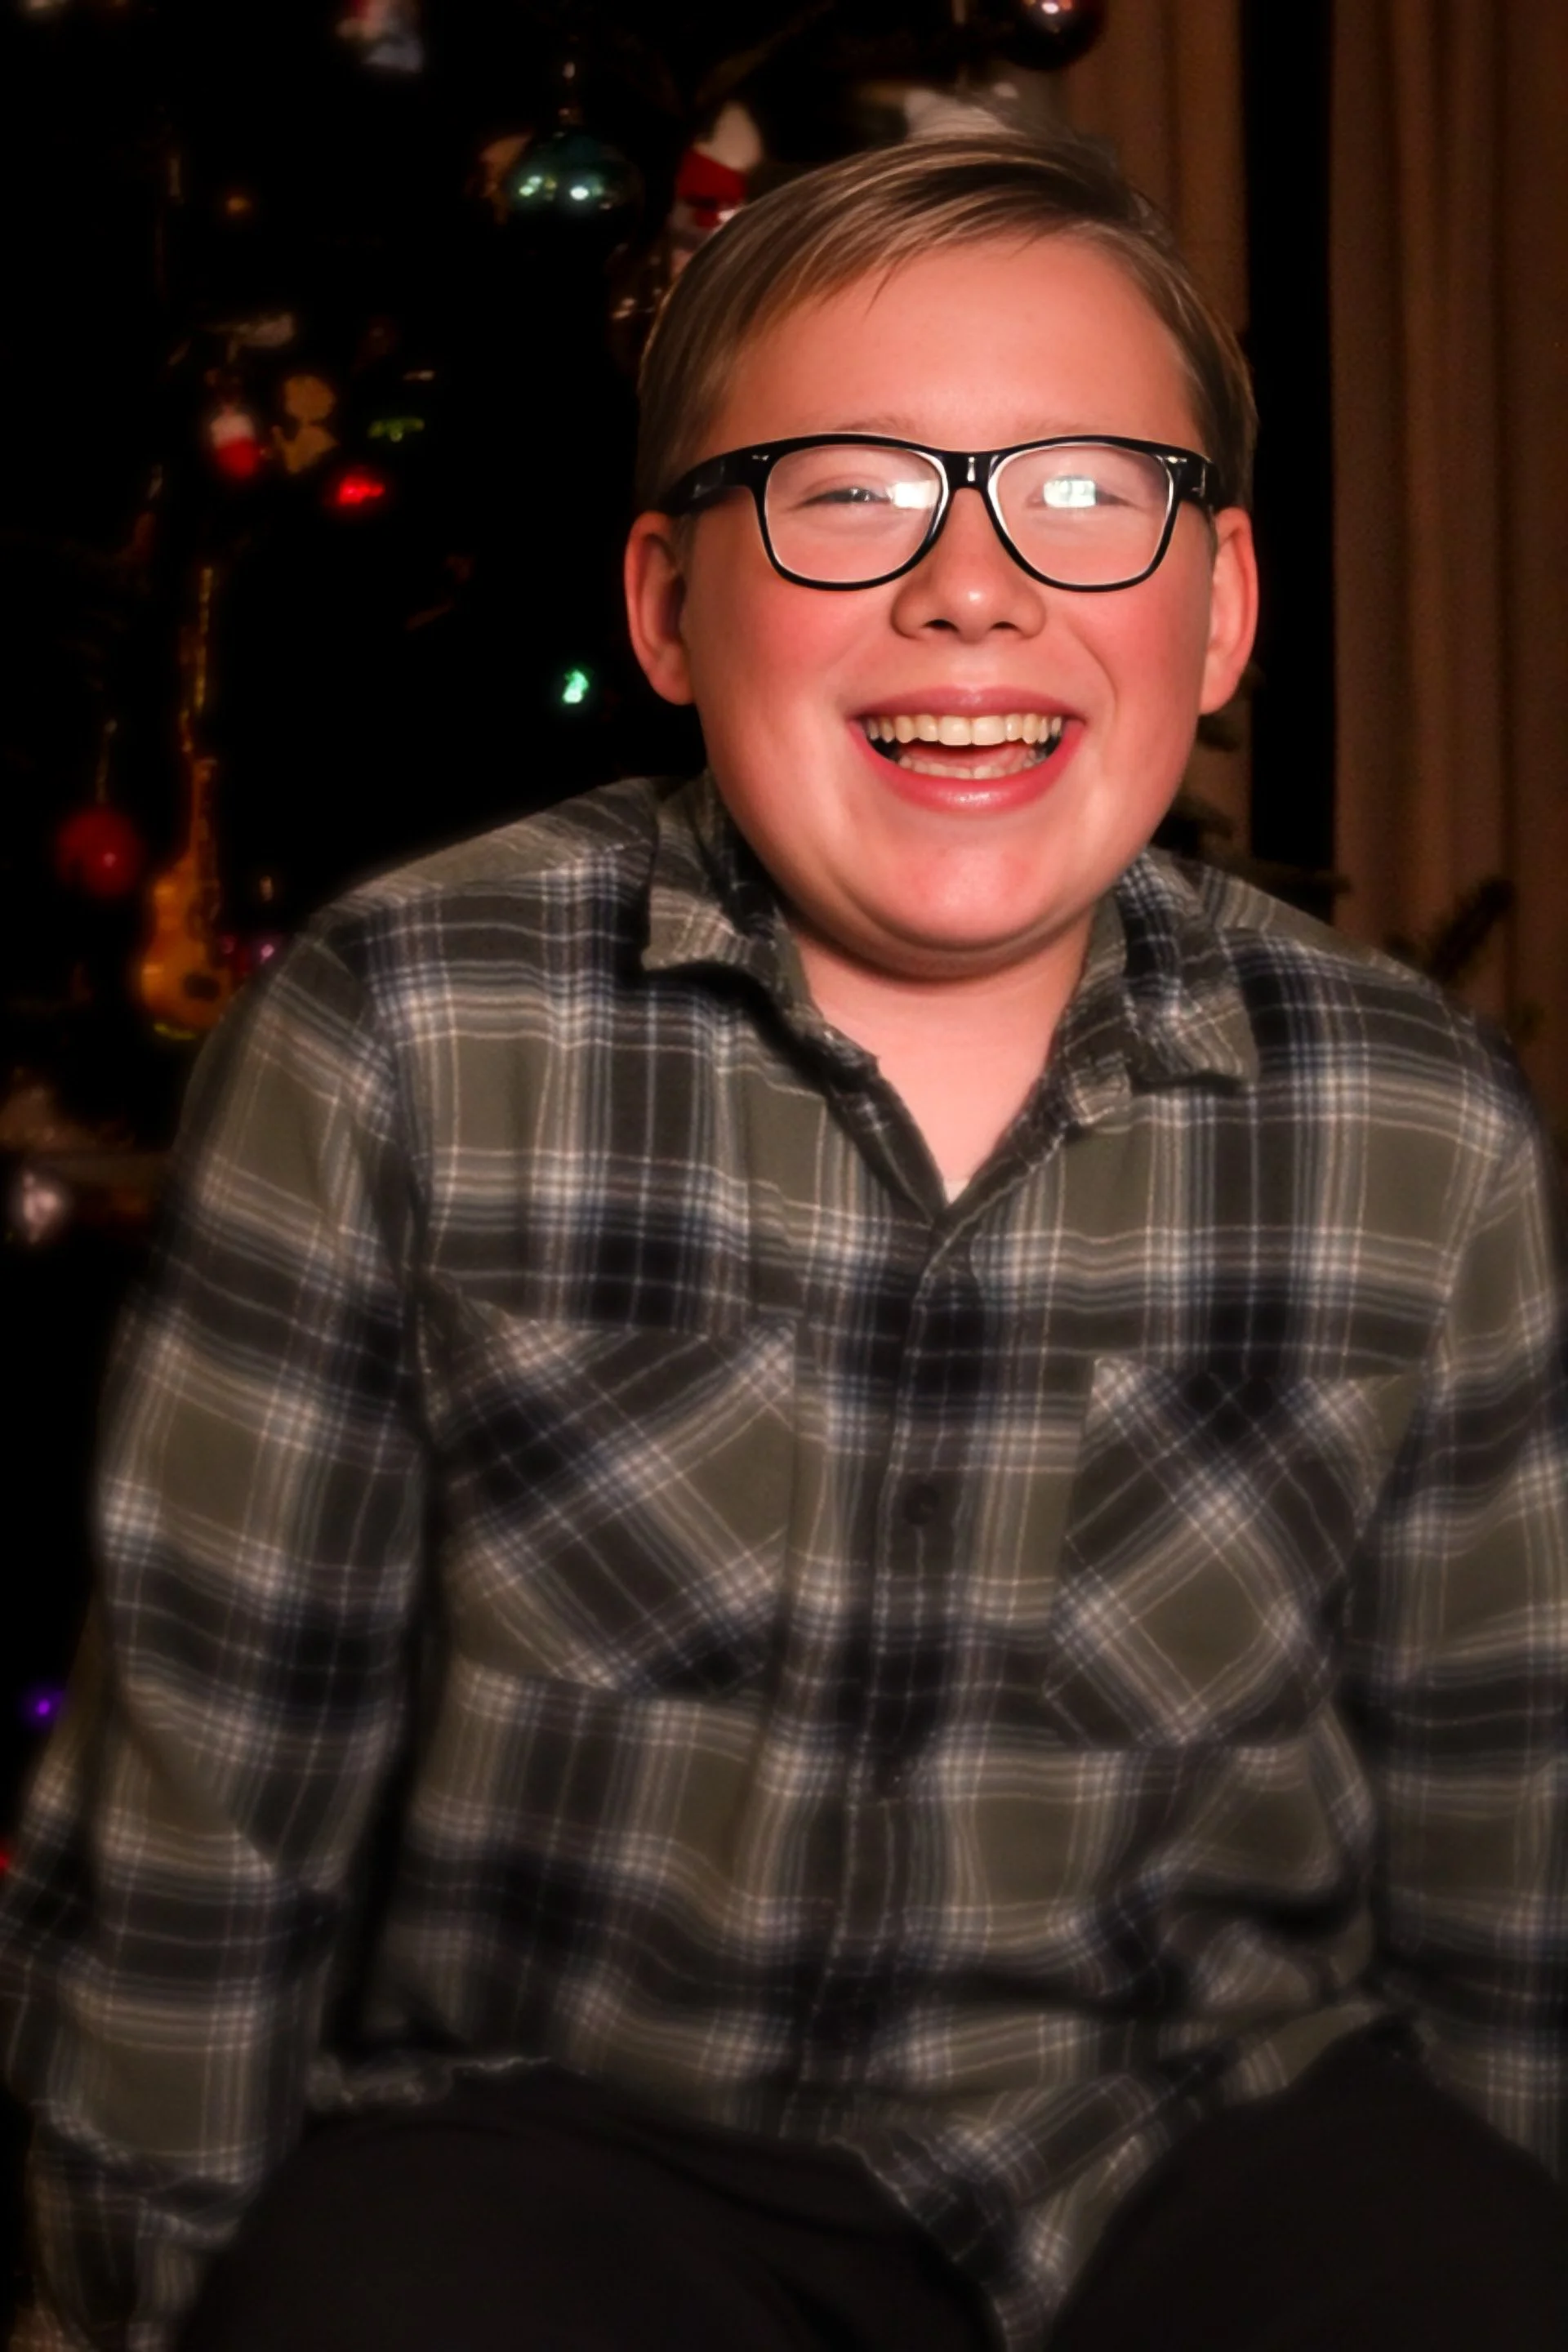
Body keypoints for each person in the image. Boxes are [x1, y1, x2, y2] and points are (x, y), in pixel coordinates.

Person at [2, 127, 1566, 2352]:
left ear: (1220, 611)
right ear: (667, 605)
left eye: (1086, 493)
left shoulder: (1417, 1123)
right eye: (848, 496)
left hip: (1203, 2153)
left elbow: (1506, 1837)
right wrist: (148, 2297)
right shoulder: (405, 1033)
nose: (972, 589)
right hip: (567, 2161)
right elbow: (210, 1805)